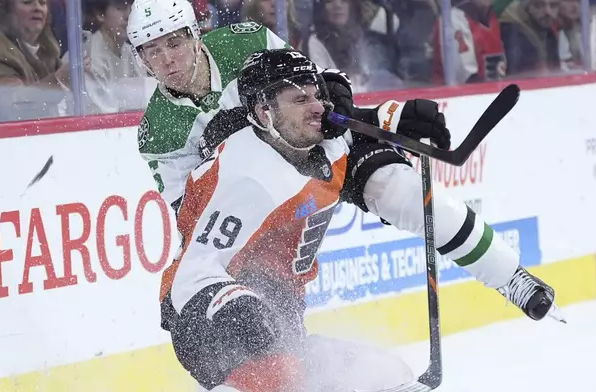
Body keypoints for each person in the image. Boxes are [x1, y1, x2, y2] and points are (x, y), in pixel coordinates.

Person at [159, 48, 563, 392]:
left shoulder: (317, 137)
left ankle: (511, 278)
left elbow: (348, 119)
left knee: (390, 376)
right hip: (205, 316)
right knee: (276, 370)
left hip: (281, 317)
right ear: (263, 112)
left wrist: (393, 118)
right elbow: (192, 278)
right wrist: (244, 311)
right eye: (300, 101)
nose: (318, 107)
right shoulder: (245, 177)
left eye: (315, 94)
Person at [125, 0, 450, 215]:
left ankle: (503, 276)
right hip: (254, 217)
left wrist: (378, 118)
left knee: (394, 185)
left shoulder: (246, 42)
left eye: (174, 43)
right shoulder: (156, 133)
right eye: (151, 51)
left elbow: (315, 92)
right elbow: (190, 213)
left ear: (195, 35)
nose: (166, 59)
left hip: (312, 153)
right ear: (140, 58)